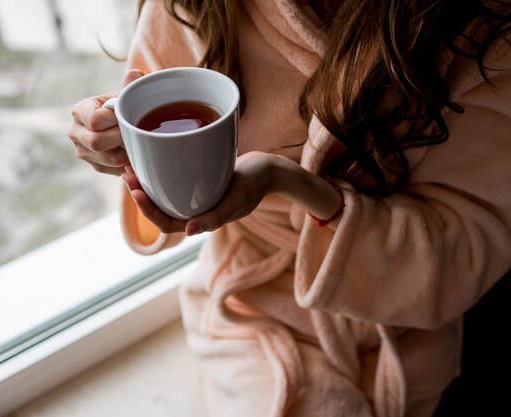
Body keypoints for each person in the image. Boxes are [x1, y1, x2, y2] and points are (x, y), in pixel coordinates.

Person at [69, 1, 511, 416]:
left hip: (403, 307)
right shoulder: (197, 6)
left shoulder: (481, 29)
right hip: (256, 299)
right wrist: (120, 146)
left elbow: (466, 246)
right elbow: (163, 151)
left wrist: (293, 184)